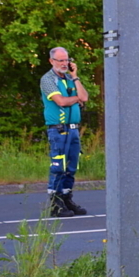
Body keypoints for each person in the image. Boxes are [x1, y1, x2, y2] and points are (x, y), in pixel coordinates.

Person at [40, 47, 89, 217]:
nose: (64, 63)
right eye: (60, 60)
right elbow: (60, 101)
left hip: (73, 129)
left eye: (66, 60)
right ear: (51, 61)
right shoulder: (48, 80)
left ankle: (67, 197)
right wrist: (76, 100)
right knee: (58, 166)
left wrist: (75, 76)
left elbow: (85, 96)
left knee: (72, 166)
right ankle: (55, 202)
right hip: (58, 130)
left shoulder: (70, 79)